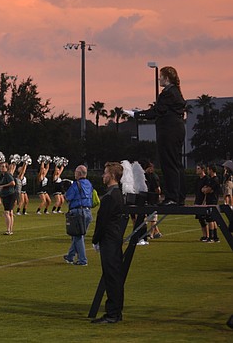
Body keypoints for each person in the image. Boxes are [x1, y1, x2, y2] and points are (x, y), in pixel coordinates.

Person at [135, 66, 186, 205]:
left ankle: (172, 197)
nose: (159, 79)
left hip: (169, 131)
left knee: (168, 163)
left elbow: (157, 111)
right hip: (176, 129)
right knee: (176, 163)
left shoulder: (168, 93)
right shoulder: (176, 92)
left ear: (167, 78)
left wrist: (139, 114)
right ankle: (179, 197)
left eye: (161, 76)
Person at [91, 161, 128, 324]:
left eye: (105, 173)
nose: (103, 176)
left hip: (109, 241)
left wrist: (95, 239)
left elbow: (102, 222)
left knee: (112, 277)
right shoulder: (117, 193)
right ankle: (115, 312)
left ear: (112, 175)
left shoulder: (110, 196)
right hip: (114, 239)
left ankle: (113, 313)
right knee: (115, 277)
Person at [64, 165, 93, 266]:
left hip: (78, 212)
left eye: (76, 172)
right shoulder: (89, 184)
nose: (74, 174)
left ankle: (82, 260)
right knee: (78, 236)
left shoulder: (76, 184)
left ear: (79, 173)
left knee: (77, 236)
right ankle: (70, 256)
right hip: (88, 211)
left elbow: (68, 197)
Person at [0, 160, 16, 235]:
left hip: (9, 195)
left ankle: (8, 230)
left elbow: (13, 183)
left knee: (7, 212)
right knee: (10, 212)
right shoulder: (2, 176)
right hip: (6, 195)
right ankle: (10, 230)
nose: (2, 168)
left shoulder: (7, 174)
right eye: (1, 166)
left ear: (7, 168)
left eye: (3, 166)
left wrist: (3, 186)